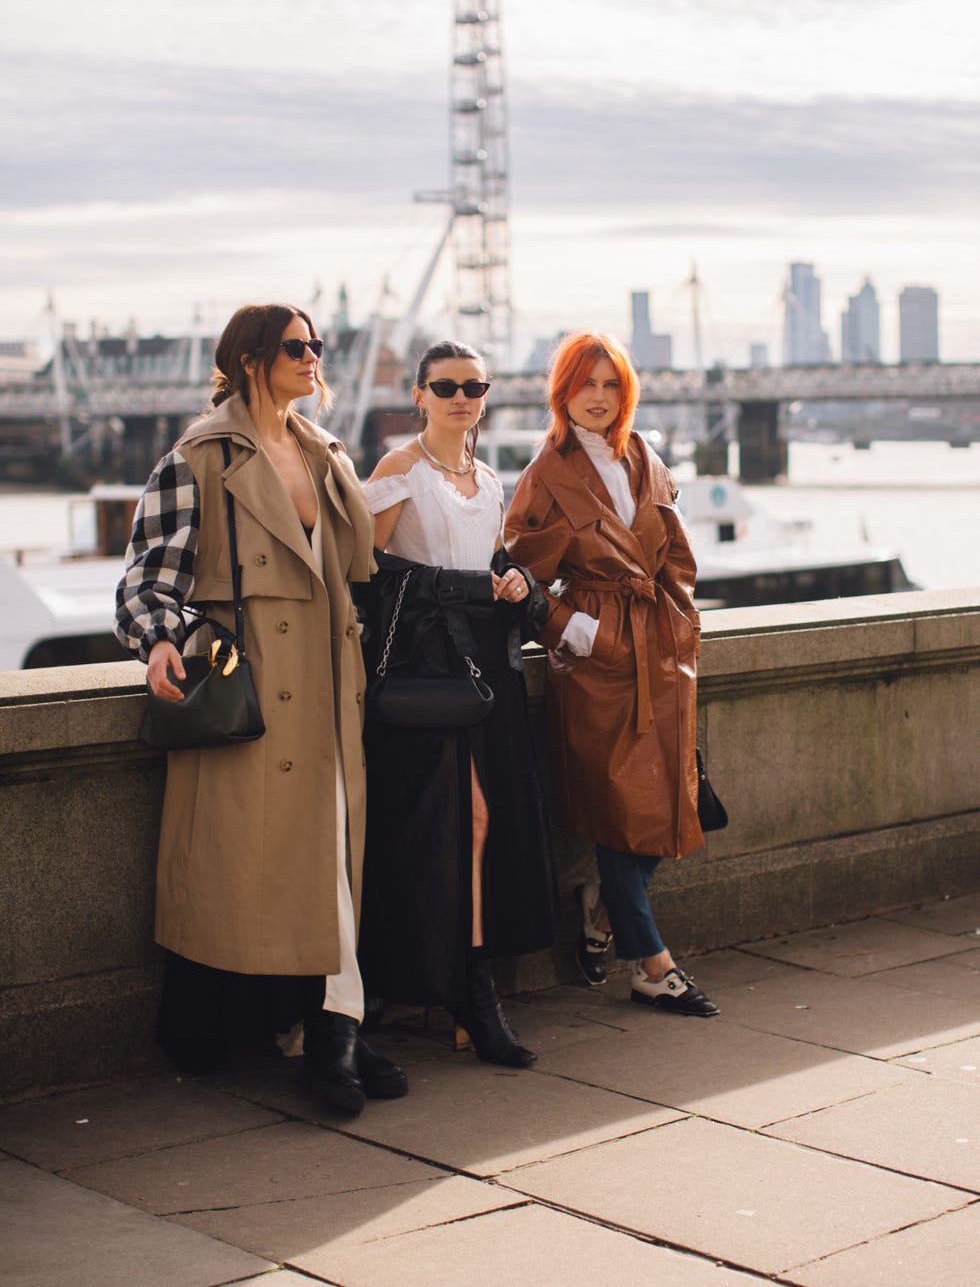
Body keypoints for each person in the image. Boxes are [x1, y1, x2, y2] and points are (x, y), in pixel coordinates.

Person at [115, 302, 408, 1113]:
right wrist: (161, 643)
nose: (315, 357)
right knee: (285, 872)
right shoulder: (200, 458)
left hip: (329, 689)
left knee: (332, 869)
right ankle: (330, 1039)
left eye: (317, 345)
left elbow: (358, 569)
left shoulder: (321, 451)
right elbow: (144, 581)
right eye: (296, 347)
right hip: (257, 691)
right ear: (250, 360)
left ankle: (332, 1030)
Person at [504, 331, 718, 1017]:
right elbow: (516, 578)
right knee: (619, 807)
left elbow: (677, 558)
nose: (598, 398)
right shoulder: (546, 475)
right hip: (597, 661)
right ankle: (652, 963)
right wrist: (580, 633)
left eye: (611, 384)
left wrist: (680, 621)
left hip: (660, 650)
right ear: (562, 391)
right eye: (585, 384)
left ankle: (601, 913)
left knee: (669, 799)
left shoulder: (642, 456)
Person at [357, 339, 556, 1067]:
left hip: (487, 668)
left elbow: (489, 559)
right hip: (426, 672)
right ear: (419, 395)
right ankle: (471, 992)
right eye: (446, 387)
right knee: (457, 820)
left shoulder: (490, 476)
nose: (462, 398)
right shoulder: (396, 470)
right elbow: (367, 576)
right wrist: (456, 589)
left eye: (475, 386)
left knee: (485, 820)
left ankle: (460, 985)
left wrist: (506, 583)